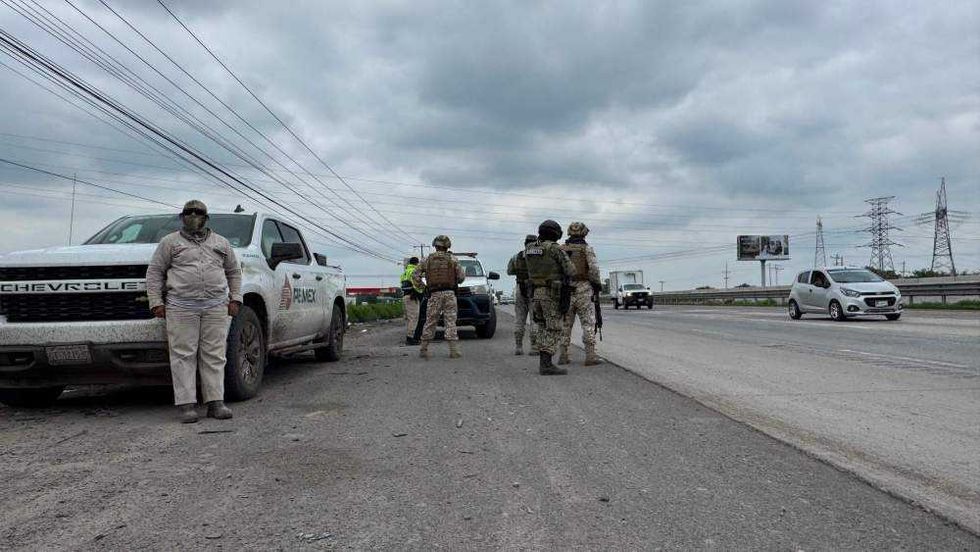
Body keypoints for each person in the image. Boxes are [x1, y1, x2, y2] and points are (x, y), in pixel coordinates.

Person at [146, 200, 242, 423]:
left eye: (198, 213)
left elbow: (234, 272)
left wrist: (236, 298)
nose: (193, 216)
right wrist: (156, 302)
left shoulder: (222, 243)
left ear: (206, 217)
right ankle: (186, 405)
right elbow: (155, 272)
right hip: (181, 306)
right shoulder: (169, 242)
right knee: (182, 355)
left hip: (216, 306)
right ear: (182, 217)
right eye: (188, 212)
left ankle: (215, 403)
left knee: (215, 355)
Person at [524, 220, 576, 375]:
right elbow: (571, 270)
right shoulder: (554, 249)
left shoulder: (529, 248)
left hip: (536, 293)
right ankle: (546, 365)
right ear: (554, 233)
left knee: (542, 327)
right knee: (553, 327)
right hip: (551, 294)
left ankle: (544, 362)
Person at [412, 235, 465, 359]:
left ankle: (423, 349)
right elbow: (461, 277)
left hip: (434, 294)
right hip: (449, 294)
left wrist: (423, 287)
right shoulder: (453, 259)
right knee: (450, 321)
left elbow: (415, 275)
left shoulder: (427, 260)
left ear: (435, 245)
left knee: (430, 321)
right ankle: (453, 351)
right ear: (447, 246)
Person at [559, 222, 603, 366]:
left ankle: (563, 355)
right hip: (584, 289)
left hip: (566, 290)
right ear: (584, 233)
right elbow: (594, 271)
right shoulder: (587, 249)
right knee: (588, 323)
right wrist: (596, 285)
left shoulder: (561, 250)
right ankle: (590, 356)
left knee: (565, 324)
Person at [507, 234, 539, 355]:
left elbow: (510, 271)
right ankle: (534, 347)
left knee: (519, 319)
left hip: (520, 289)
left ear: (525, 243)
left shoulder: (517, 256)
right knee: (534, 319)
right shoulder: (539, 257)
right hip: (535, 289)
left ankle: (518, 347)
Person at [400, 256, 424, 345]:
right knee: (414, 318)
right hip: (412, 297)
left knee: (410, 318)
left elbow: (403, 285)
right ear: (417, 263)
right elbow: (418, 284)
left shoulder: (405, 272)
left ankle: (410, 337)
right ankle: (410, 338)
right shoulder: (414, 271)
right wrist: (422, 292)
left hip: (406, 296)